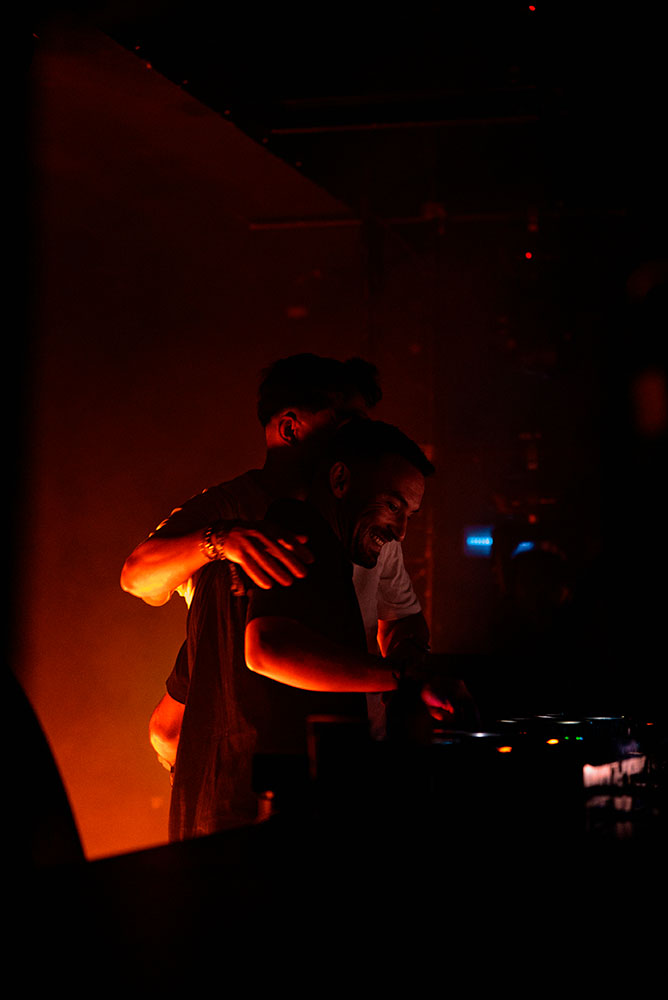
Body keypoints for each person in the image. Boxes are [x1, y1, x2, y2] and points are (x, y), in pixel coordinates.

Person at [120, 355, 430, 815]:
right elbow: (137, 577)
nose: (360, 436)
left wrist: (408, 664)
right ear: (289, 427)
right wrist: (220, 540)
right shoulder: (232, 507)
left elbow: (401, 619)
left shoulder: (365, 523)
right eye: (347, 422)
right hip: (256, 778)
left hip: (342, 762)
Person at [171, 417, 448, 839]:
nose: (400, 531)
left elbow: (165, 726)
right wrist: (405, 678)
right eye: (393, 506)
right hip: (269, 820)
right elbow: (267, 650)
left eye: (408, 514)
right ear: (340, 480)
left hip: (235, 818)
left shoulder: (262, 553)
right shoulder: (299, 534)